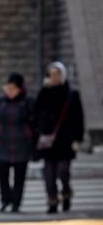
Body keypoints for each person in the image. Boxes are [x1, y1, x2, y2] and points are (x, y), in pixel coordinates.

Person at [33, 61, 85, 213]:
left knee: (63, 172)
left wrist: (77, 139)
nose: (54, 77)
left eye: (57, 74)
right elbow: (36, 113)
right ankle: (52, 201)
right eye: (51, 75)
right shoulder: (44, 92)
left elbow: (78, 118)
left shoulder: (71, 94)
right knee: (49, 175)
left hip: (65, 141)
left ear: (63, 75)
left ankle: (67, 193)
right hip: (48, 141)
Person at [0, 73, 37, 212]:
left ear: (20, 88)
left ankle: (16, 203)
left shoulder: (28, 102)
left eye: (12, 88)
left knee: (20, 177)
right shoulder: (0, 102)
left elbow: (36, 123)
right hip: (3, 143)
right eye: (7, 88)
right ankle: (5, 200)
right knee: (3, 176)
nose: (9, 91)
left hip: (22, 144)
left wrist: (34, 141)